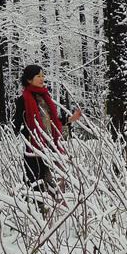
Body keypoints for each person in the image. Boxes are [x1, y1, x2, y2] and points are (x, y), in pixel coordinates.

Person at [13, 64, 82, 211]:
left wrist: (71, 119)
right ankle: (33, 212)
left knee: (54, 179)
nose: (42, 79)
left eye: (43, 76)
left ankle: (53, 210)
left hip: (50, 145)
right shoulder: (23, 99)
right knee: (34, 180)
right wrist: (25, 133)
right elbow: (16, 123)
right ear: (29, 79)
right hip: (33, 147)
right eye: (38, 76)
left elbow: (53, 120)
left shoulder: (45, 96)